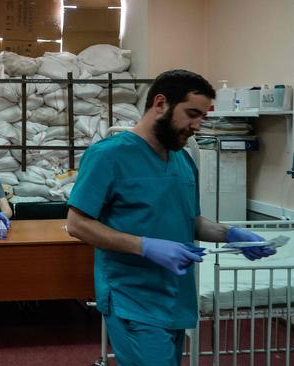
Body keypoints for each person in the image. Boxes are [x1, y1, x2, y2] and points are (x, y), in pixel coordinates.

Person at [65, 69, 277, 366]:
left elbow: (190, 221)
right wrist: (146, 246)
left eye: (203, 116)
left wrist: (231, 235)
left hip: (175, 296)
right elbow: (77, 225)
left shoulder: (182, 159)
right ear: (161, 103)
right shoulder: (109, 156)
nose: (198, 125)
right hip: (132, 296)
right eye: (192, 114)